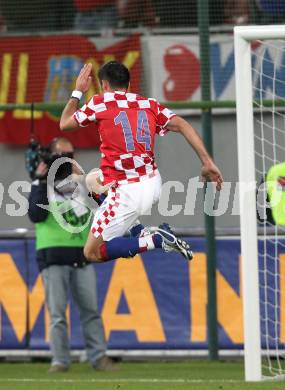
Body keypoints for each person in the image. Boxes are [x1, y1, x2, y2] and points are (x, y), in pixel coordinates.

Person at [60, 61, 223, 264]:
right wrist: (207, 162)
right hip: (152, 183)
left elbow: (64, 123)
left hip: (127, 191)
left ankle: (155, 240)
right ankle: (139, 231)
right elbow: (181, 124)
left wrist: (78, 91)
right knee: (93, 180)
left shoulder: (100, 102)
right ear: (129, 86)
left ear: (104, 85)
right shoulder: (148, 104)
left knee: (92, 252)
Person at [28, 137, 115, 373]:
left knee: (91, 311)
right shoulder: (42, 185)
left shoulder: (81, 184)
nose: (68, 160)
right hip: (52, 256)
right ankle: (60, 360)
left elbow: (105, 202)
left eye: (71, 155)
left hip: (81, 255)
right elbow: (36, 215)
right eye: (62, 156)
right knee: (57, 314)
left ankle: (99, 357)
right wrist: (39, 180)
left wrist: (82, 175)